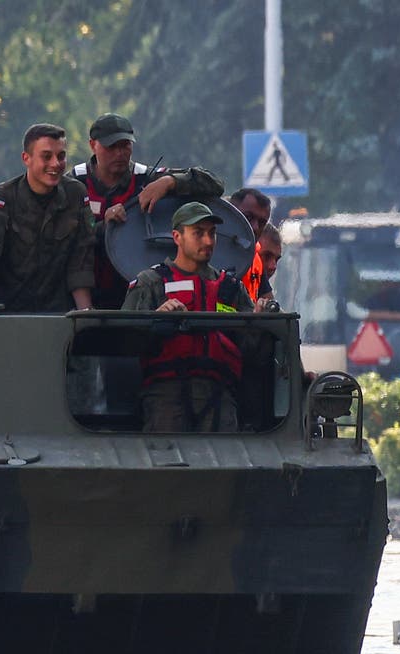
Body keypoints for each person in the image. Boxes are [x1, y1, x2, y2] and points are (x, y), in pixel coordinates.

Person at [121, 202, 270, 432]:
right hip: (166, 395)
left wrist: (259, 324)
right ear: (177, 237)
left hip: (220, 394)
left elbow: (252, 352)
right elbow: (124, 341)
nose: (208, 241)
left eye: (212, 233)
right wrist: (154, 320)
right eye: (198, 233)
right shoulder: (151, 282)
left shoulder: (230, 288)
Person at [72, 112, 222, 308]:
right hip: (86, 292)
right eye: (111, 147)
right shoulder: (76, 182)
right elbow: (67, 238)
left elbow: (214, 183)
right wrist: (103, 226)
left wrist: (170, 182)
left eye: (125, 145)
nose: (119, 153)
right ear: (93, 145)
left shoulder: (146, 178)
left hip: (142, 295)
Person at [0, 123, 94, 314]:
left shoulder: (75, 193)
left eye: (61, 156)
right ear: (27, 158)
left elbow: (81, 256)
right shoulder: (2, 198)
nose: (56, 164)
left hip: (57, 310)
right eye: (46, 156)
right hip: (7, 310)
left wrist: (85, 312)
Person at [229, 188, 272, 301]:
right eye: (248, 217)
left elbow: (271, 305)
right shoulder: (208, 253)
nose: (255, 227)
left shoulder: (255, 260)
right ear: (230, 215)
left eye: (262, 223)